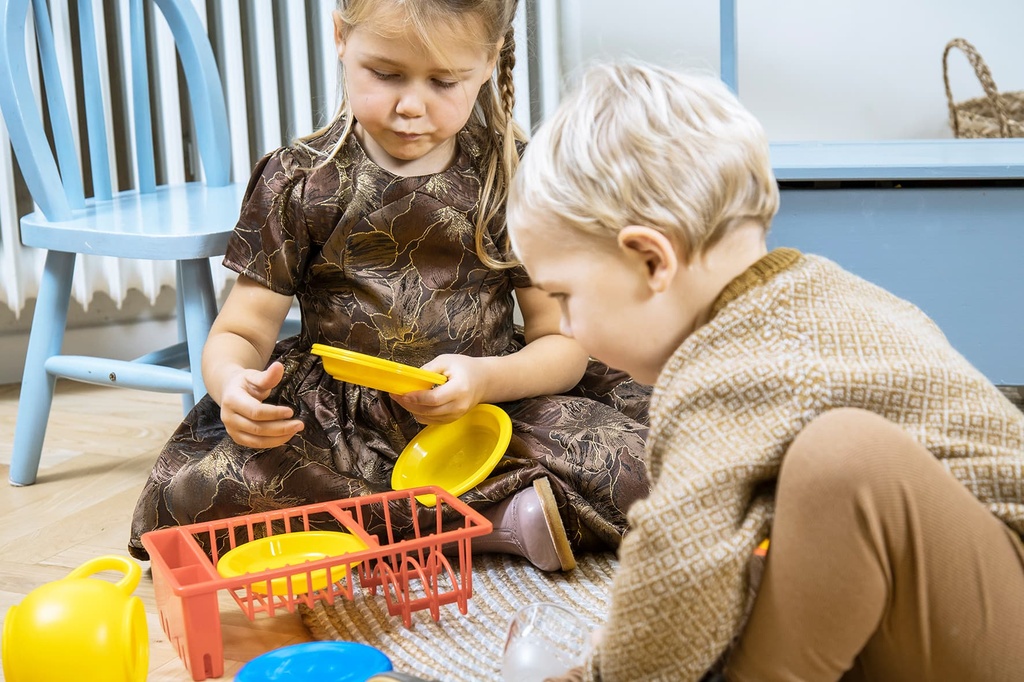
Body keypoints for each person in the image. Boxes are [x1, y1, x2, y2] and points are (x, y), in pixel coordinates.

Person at [506, 60, 1024, 681]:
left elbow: (677, 564)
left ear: (651, 262)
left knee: (841, 458)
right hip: (958, 601)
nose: (564, 325)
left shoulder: (724, 367)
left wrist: (607, 672)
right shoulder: (819, 297)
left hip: (1001, 614)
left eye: (564, 297)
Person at [127, 0, 651, 574]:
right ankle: (497, 523)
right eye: (386, 74)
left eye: (443, 82)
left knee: (642, 467)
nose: (410, 106)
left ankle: (424, 525)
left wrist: (486, 380)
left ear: (489, 61)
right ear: (341, 37)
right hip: (340, 427)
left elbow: (562, 344)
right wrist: (232, 384)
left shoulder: (514, 176)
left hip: (492, 405)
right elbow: (242, 331)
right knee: (195, 500)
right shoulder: (298, 180)